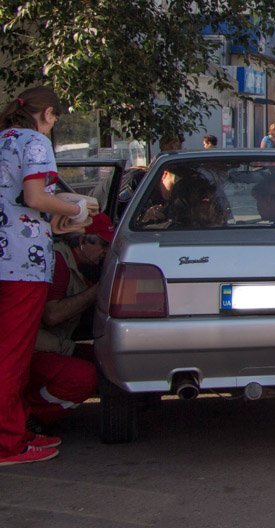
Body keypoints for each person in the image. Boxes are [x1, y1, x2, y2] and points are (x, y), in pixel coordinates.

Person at [0, 85, 97, 466]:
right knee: (13, 355)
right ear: (48, 115)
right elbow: (36, 198)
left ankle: (15, 431)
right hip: (21, 261)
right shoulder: (33, 142)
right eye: (55, 119)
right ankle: (9, 442)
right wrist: (72, 211)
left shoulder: (3, 139)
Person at [23, 215, 112, 435]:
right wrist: (96, 291)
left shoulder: (78, 265)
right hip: (33, 348)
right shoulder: (59, 262)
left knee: (107, 362)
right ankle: (29, 417)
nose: (105, 252)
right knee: (84, 377)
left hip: (50, 344)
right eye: (103, 244)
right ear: (83, 240)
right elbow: (52, 315)